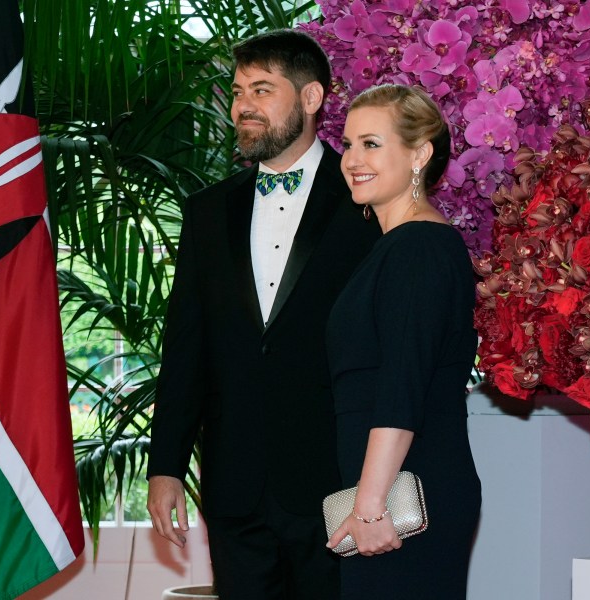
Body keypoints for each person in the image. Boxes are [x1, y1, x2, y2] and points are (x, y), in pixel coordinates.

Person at [146, 29, 380, 599]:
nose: (242, 105)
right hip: (234, 486)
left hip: (338, 484)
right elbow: (186, 347)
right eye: (237, 90)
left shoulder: (368, 205)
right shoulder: (207, 212)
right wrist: (166, 465)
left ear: (311, 98)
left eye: (261, 89)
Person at [325, 84, 482, 599]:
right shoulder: (397, 247)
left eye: (371, 144)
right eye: (348, 145)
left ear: (419, 153)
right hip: (389, 493)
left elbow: (401, 387)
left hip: (403, 501)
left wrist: (369, 506)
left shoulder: (419, 248)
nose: (352, 160)